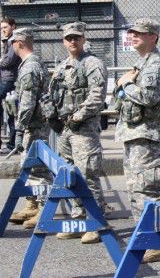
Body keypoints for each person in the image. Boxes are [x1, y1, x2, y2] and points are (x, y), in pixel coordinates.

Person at [40, 22, 108, 244]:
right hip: (65, 131)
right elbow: (51, 94)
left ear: (83, 39)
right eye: (68, 38)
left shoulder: (92, 63)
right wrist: (52, 116)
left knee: (88, 175)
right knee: (69, 175)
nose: (72, 41)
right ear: (63, 41)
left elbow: (97, 97)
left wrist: (78, 116)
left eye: (76, 37)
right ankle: (78, 219)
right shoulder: (62, 67)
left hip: (84, 129)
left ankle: (96, 223)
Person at [114, 18, 160, 262]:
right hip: (134, 132)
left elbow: (148, 98)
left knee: (148, 188)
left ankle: (156, 242)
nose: (134, 35)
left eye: (140, 33)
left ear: (154, 37)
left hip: (147, 134)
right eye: (133, 32)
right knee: (136, 188)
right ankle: (144, 236)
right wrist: (124, 85)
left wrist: (125, 84)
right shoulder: (141, 64)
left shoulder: (156, 64)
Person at [7, 28, 52, 229]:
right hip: (35, 124)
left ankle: (43, 209)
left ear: (19, 43)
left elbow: (27, 102)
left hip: (34, 125)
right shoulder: (32, 64)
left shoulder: (29, 67)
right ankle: (33, 204)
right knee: (31, 166)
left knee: (38, 169)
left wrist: (19, 129)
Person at [0, 17, 21, 154]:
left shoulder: (14, 40)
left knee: (12, 111)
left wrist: (1, 60)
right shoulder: (7, 41)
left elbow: (8, 61)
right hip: (6, 79)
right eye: (1, 28)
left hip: (10, 80)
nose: (3, 30)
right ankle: (12, 143)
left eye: (5, 27)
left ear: (13, 26)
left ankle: (13, 143)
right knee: (10, 110)